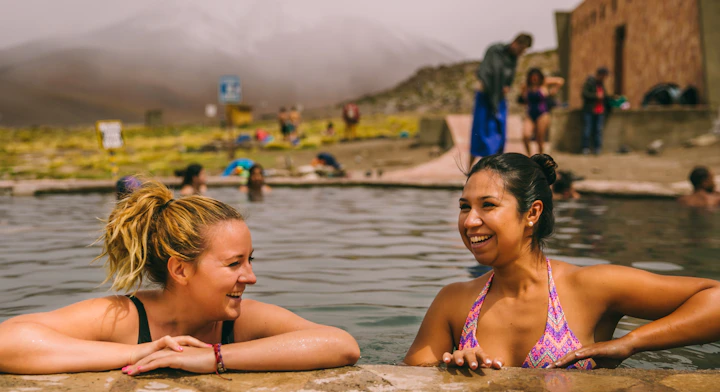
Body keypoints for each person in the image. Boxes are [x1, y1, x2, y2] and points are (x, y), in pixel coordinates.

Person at [0, 181, 360, 375]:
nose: (250, 277)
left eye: (249, 261)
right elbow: (7, 340)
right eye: (234, 263)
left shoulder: (240, 319)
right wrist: (138, 351)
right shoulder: (125, 317)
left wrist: (214, 358)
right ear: (180, 269)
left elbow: (340, 344)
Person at [405, 153, 720, 369]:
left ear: (532, 213)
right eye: (464, 206)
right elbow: (407, 380)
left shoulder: (590, 287)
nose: (470, 221)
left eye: (488, 205)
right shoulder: (453, 302)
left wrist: (631, 342)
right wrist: (453, 370)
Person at [469, 33, 533, 170]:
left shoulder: (514, 59)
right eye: (521, 49)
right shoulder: (494, 50)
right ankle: (469, 169)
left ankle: (495, 169)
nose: (521, 53)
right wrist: (491, 90)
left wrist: (506, 87)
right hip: (485, 95)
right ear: (515, 43)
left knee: (499, 132)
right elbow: (484, 72)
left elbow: (509, 78)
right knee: (479, 132)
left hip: (499, 99)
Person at [519, 68, 564, 155]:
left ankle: (540, 156)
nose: (534, 79)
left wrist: (552, 90)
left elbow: (560, 81)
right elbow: (523, 98)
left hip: (542, 114)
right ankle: (529, 156)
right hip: (530, 113)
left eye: (536, 77)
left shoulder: (544, 85)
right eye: (532, 77)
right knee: (525, 135)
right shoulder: (526, 86)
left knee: (539, 139)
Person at [581, 67, 610, 155]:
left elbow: (604, 96)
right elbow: (584, 94)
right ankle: (585, 148)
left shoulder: (601, 84)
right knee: (587, 129)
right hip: (590, 110)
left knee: (598, 130)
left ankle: (597, 148)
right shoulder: (590, 83)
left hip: (599, 111)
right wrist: (596, 96)